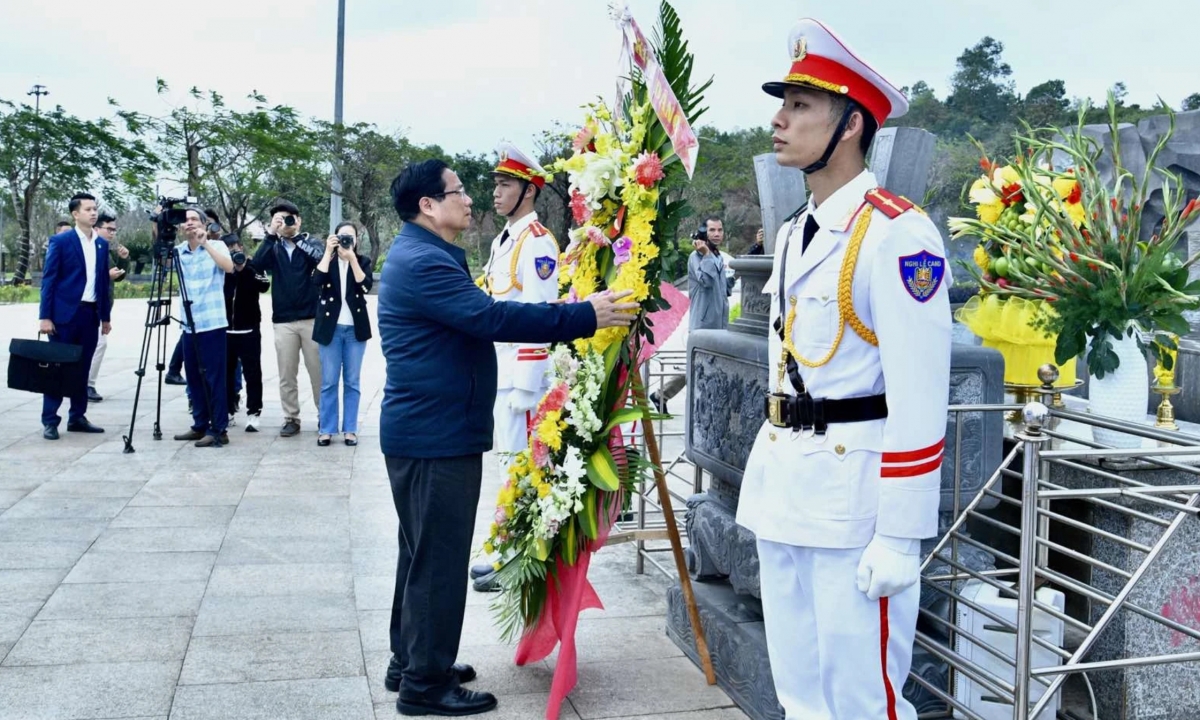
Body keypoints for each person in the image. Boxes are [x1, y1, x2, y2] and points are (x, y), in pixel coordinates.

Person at [735, 19, 951, 720]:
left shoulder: (897, 233)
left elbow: (921, 395)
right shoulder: (799, 230)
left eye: (800, 106)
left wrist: (900, 533)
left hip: (857, 501)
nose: (780, 119)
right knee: (801, 695)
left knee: (864, 701)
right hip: (788, 490)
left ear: (851, 123)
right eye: (784, 103)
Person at [377, 159, 638, 717]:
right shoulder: (423, 261)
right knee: (438, 559)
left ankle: (413, 662)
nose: (469, 199)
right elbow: (492, 318)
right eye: (457, 192)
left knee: (419, 554)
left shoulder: (422, 253)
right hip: (435, 434)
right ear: (428, 205)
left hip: (429, 428)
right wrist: (584, 315)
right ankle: (424, 686)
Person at [469, 143, 559, 593]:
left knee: (520, 465)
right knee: (508, 463)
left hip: (520, 376)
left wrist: (528, 381)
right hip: (498, 370)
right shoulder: (503, 240)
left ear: (528, 190)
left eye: (505, 185)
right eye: (497, 185)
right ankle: (504, 544)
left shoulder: (537, 240)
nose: (496, 193)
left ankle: (514, 554)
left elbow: (539, 313)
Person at [38, 193, 111, 439]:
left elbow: (102, 282)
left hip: (89, 314)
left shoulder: (101, 243)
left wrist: (105, 317)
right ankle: (50, 420)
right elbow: (49, 280)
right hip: (63, 316)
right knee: (57, 369)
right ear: (75, 213)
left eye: (95, 209)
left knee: (82, 368)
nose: (93, 213)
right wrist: (45, 317)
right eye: (88, 209)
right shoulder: (61, 241)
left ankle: (77, 417)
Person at [252, 200, 324, 437]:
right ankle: (291, 418)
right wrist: (271, 234)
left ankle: (326, 415)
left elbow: (321, 260)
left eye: (290, 219)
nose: (286, 223)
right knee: (286, 373)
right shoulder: (273, 247)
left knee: (318, 372)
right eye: (280, 220)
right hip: (283, 320)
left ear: (299, 220)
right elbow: (257, 265)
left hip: (311, 318)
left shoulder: (310, 243)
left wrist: (297, 238)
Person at [649, 215, 729, 414]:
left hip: (719, 322)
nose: (717, 234)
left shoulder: (718, 256)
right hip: (703, 323)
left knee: (701, 366)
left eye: (720, 230)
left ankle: (662, 395)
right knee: (696, 366)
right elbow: (707, 282)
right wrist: (707, 255)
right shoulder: (697, 257)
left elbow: (723, 287)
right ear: (704, 233)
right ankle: (662, 395)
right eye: (712, 230)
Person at [170, 208, 235, 447]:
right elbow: (160, 261)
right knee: (194, 377)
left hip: (213, 323)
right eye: (185, 221)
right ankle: (200, 424)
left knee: (214, 378)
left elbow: (229, 268)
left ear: (205, 225)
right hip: (189, 324)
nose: (190, 224)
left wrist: (205, 243)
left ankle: (219, 429)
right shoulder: (178, 251)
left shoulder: (216, 247)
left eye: (194, 220)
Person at [313, 221, 373, 447]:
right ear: (334, 237)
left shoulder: (363, 261)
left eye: (351, 237)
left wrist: (352, 259)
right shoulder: (326, 261)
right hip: (330, 329)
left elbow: (365, 285)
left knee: (352, 382)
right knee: (328, 381)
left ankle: (350, 429)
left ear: (357, 240)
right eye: (342, 236)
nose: (346, 240)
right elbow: (316, 281)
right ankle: (326, 429)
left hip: (355, 330)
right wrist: (328, 252)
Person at [222, 234, 269, 433]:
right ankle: (228, 409)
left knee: (252, 372)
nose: (233, 252)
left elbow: (264, 285)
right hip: (225, 329)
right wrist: (231, 270)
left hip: (249, 329)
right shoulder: (221, 268)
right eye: (228, 248)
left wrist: (244, 269)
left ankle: (253, 412)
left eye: (235, 247)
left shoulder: (253, 266)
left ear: (242, 247)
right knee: (225, 373)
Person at [87, 212, 131, 403]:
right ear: (97, 228)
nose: (113, 233)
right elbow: (86, 278)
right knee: (98, 344)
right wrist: (107, 276)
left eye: (114, 229)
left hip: (102, 308)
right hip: (86, 307)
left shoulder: (103, 249)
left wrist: (123, 259)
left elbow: (117, 275)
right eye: (109, 229)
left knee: (98, 344)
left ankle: (85, 384)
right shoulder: (90, 248)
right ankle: (86, 384)